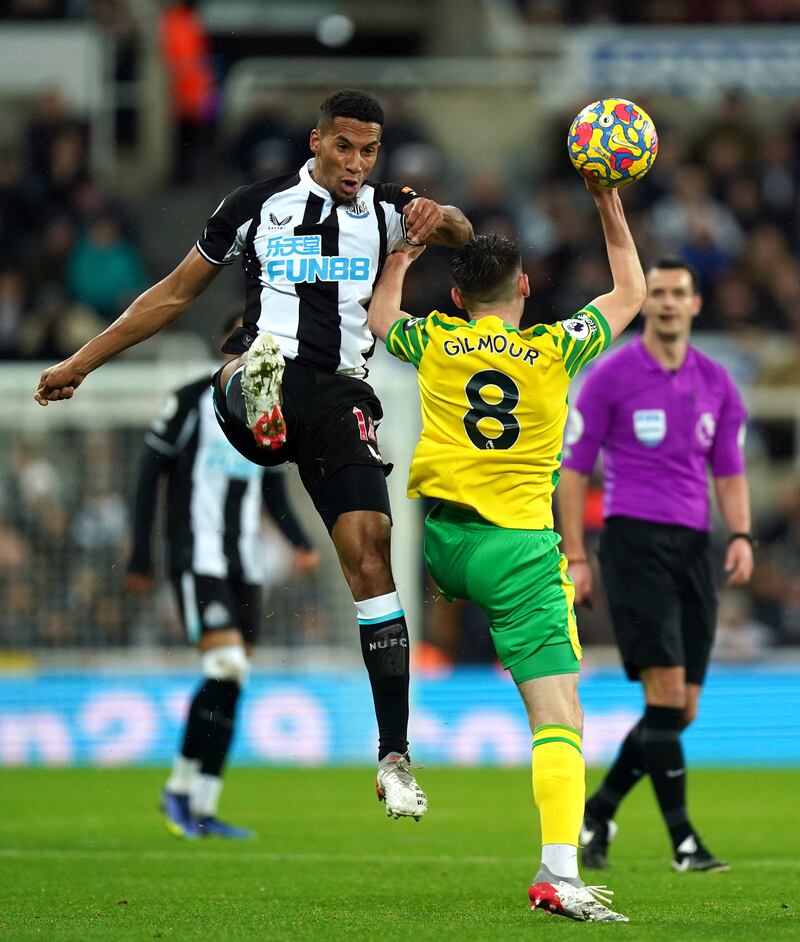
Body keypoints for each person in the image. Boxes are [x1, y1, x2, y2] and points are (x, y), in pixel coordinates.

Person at [34, 89, 473, 819]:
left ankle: (393, 756)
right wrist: (84, 360)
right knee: (244, 367)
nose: (356, 164)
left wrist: (440, 216)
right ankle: (254, 398)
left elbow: (459, 232)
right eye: (344, 148)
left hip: (340, 397)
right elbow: (173, 295)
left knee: (371, 553)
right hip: (267, 366)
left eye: (369, 151)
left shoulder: (392, 207)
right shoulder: (255, 205)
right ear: (316, 141)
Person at [368, 178, 646, 921]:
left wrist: (404, 251)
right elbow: (629, 292)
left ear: (457, 297)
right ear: (524, 286)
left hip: (442, 544)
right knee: (560, 716)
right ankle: (558, 872)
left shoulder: (435, 340)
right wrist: (607, 201)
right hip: (519, 548)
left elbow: (379, 317)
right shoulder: (555, 349)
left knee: (461, 606)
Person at [557, 257, 753, 873]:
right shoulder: (610, 377)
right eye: (658, 293)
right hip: (633, 543)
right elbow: (574, 470)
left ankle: (598, 811)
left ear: (696, 305)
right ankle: (685, 842)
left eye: (678, 294)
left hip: (694, 546)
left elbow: (729, 468)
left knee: (681, 709)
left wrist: (741, 533)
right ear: (646, 305)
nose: (667, 303)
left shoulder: (716, 382)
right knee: (665, 695)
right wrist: (577, 553)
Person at [126, 314, 318, 839]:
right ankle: (178, 789)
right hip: (198, 555)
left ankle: (203, 806)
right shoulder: (190, 399)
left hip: (245, 566)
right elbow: (150, 471)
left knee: (234, 681)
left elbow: (273, 488)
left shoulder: (268, 411)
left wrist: (300, 543)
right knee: (226, 666)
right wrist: (140, 553)